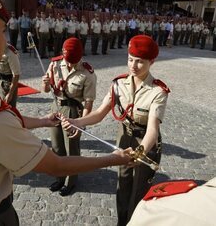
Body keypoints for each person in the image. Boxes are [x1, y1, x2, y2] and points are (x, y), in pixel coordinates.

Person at [0, 0, 133, 226]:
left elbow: (6, 121)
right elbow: (54, 164)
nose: (6, 38)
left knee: (69, 147)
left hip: (70, 113)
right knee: (59, 150)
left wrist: (44, 120)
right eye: (2, 31)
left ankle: (72, 181)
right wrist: (114, 158)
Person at [62, 35, 170, 226]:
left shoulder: (158, 91)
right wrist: (76, 121)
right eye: (130, 59)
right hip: (124, 137)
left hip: (146, 144)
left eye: (139, 61)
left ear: (151, 62)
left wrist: (139, 153)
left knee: (139, 191)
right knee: (123, 185)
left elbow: (153, 129)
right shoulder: (118, 84)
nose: (133, 66)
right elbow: (99, 113)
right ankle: (122, 222)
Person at [42, 37, 97, 196]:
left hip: (73, 112)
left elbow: (88, 102)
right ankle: (60, 177)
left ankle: (71, 181)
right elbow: (46, 89)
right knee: (57, 146)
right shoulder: (55, 64)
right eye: (68, 61)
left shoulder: (87, 72)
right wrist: (45, 82)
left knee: (72, 149)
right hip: (56, 107)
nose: (70, 64)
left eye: (74, 61)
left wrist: (81, 123)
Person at [0, 43, 21, 107]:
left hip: (6, 84)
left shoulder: (10, 52)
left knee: (8, 109)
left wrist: (10, 94)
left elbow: (16, 75)